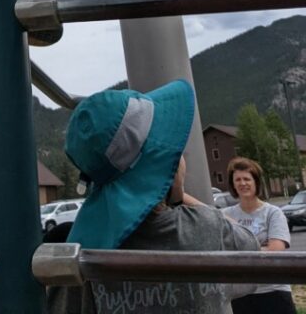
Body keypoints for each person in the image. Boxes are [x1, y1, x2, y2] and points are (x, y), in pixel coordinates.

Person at [46, 79, 259, 314]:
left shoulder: (82, 256)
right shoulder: (205, 226)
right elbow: (252, 252)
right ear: (168, 168)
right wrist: (179, 193)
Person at [223, 156, 295, 314]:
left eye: (247, 179)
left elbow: (275, 252)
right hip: (241, 294)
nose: (243, 183)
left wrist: (239, 252)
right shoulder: (224, 215)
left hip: (274, 291)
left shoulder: (273, 213)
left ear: (256, 182)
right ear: (233, 184)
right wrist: (261, 248)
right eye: (238, 180)